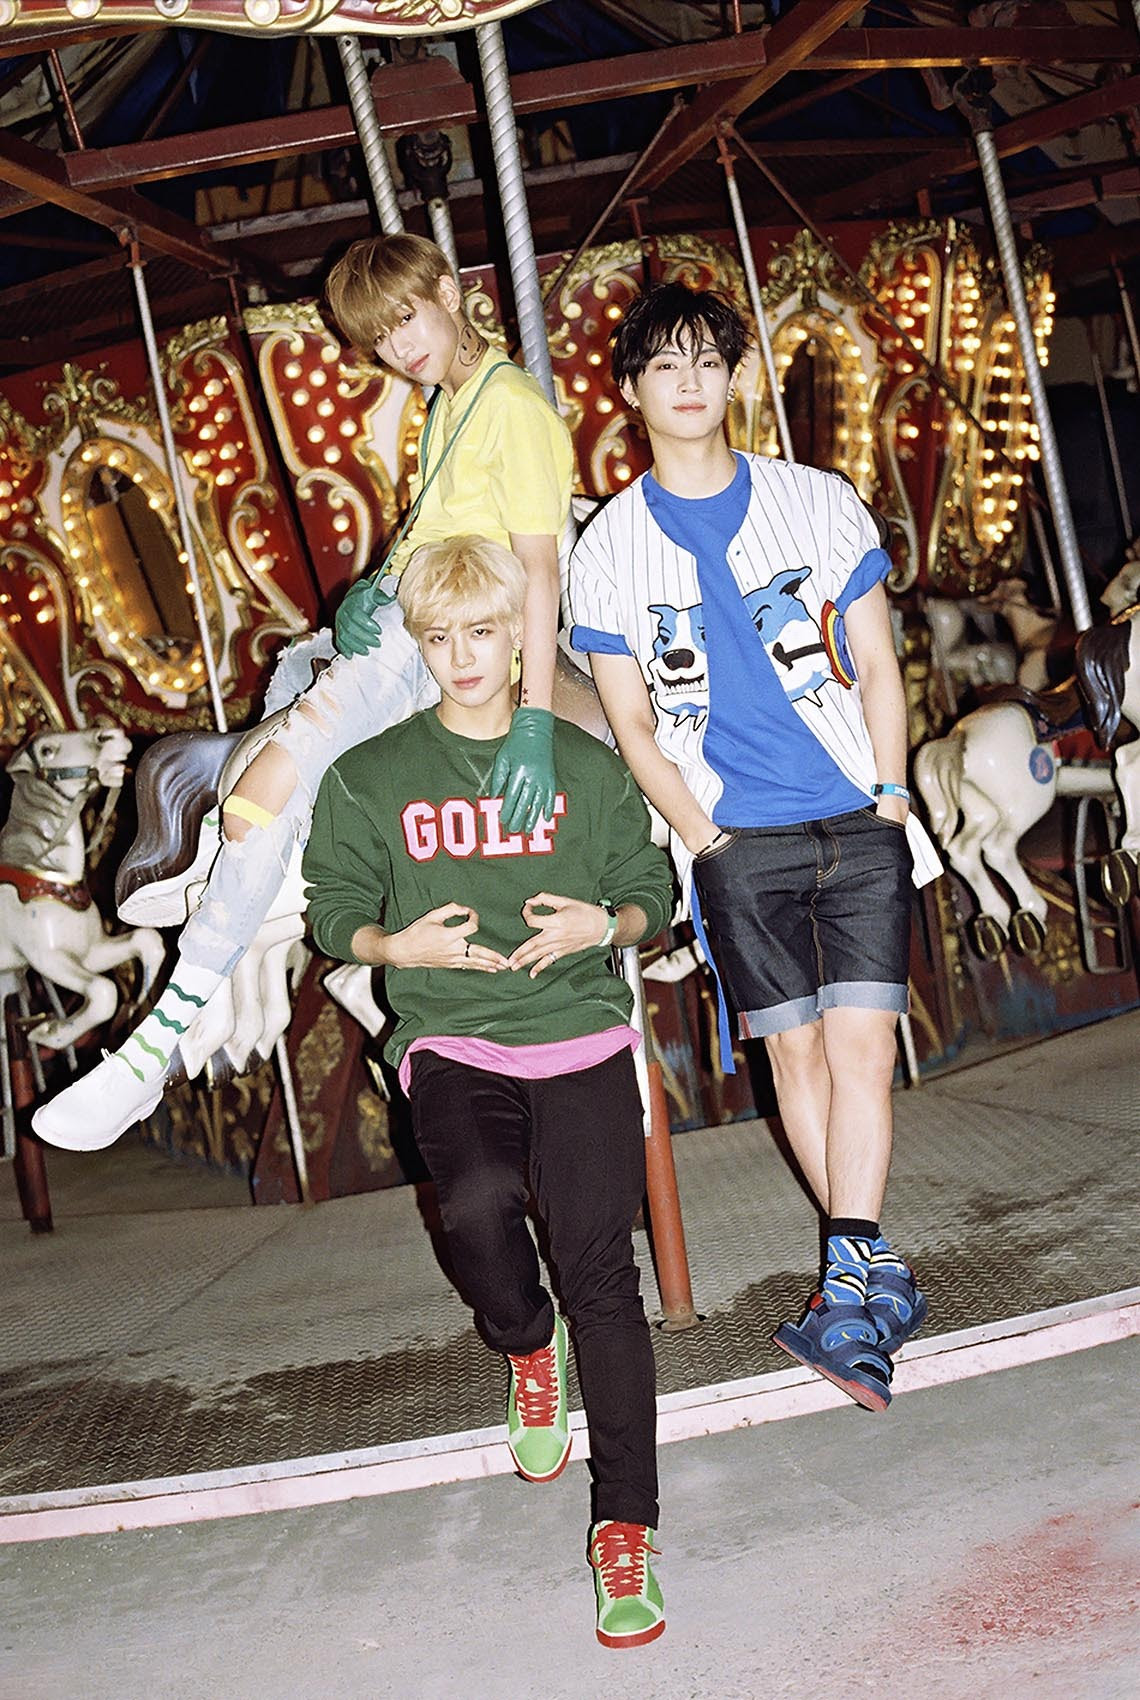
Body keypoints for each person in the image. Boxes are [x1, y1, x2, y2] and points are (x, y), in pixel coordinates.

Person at [34, 233, 573, 1152]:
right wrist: (374, 583)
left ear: (449, 293)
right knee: (287, 682)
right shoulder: (451, 402)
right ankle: (227, 876)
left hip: (441, 633)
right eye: (379, 337)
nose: (399, 347)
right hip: (403, 613)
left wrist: (533, 718)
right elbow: (432, 524)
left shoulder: (512, 407)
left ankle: (156, 1037)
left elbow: (538, 565)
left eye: (407, 319)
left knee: (263, 786)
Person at [568, 282, 942, 1413]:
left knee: (864, 1050)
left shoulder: (819, 502)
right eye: (663, 364)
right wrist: (704, 837)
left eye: (707, 360)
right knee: (796, 1059)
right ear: (630, 390)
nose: (688, 382)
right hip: (735, 838)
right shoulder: (610, 546)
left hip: (856, 816)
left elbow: (879, 668)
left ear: (735, 375)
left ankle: (853, 1277)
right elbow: (632, 722)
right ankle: (871, 1282)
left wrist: (889, 797)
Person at [302, 536, 672, 1648]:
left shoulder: (585, 764)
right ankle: (523, 1340)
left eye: (482, 631)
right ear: (418, 646)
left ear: (519, 634)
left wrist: (605, 924)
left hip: (579, 1032)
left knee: (605, 1276)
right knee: (472, 1208)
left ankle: (626, 1529)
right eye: (440, 636)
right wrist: (392, 942)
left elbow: (649, 888)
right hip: (453, 1034)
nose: (463, 655)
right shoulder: (371, 774)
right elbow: (333, 906)